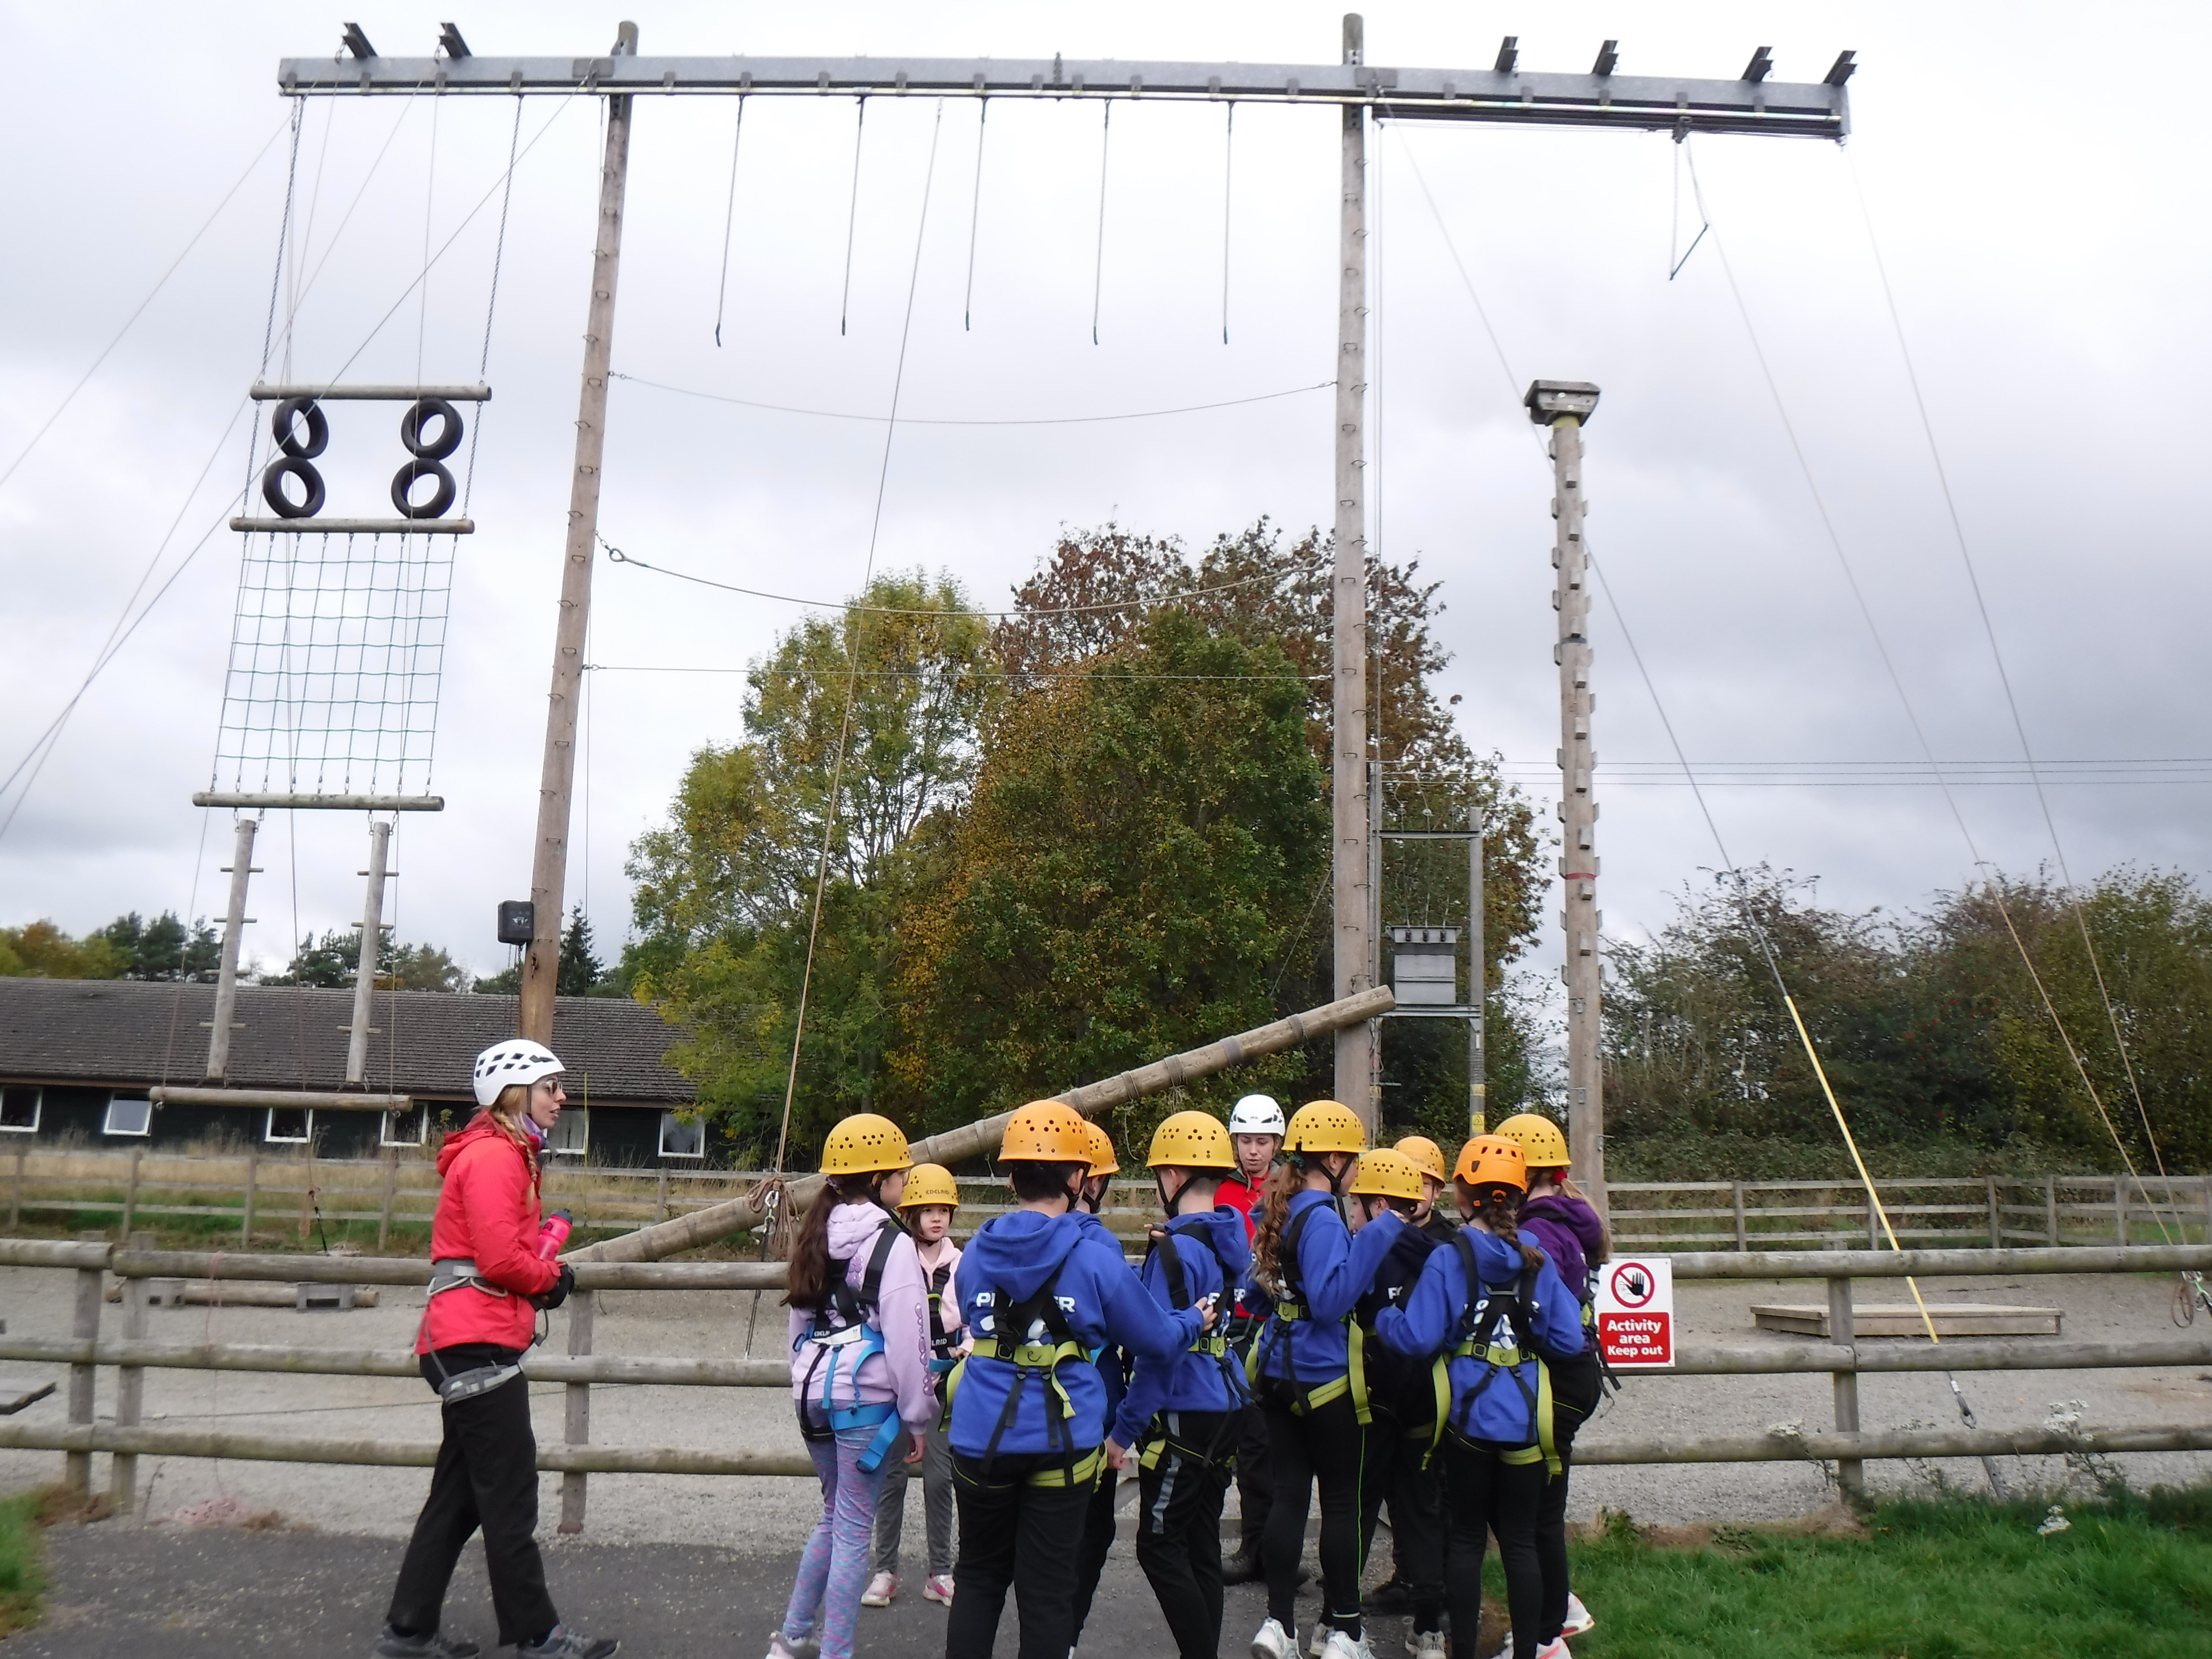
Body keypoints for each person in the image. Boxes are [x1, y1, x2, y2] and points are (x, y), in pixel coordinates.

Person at [945, 1102, 1213, 1659]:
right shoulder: (1094, 1259)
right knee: (1047, 1594)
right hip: (1060, 1442)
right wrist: (1194, 1319)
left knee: (978, 1577)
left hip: (978, 1437)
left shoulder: (974, 1255)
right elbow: (1157, 1340)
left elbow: (972, 1316)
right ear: (1077, 1178)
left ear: (1012, 1177)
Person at [377, 1040, 614, 1659]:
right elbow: (501, 1258)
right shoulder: (493, 1157)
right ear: (515, 1094)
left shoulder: (505, 1152)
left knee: (458, 1501)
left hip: (468, 1338)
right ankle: (539, 1635)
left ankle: (408, 1630)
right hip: (474, 1342)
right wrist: (551, 1281)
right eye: (551, 1086)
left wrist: (540, 1272)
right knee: (510, 1497)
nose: (562, 1097)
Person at [1374, 1137, 1585, 1659]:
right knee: (1521, 1541)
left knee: (1467, 1538)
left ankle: (1463, 1651)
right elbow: (1568, 1341)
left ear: (1463, 1197)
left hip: (1468, 1419)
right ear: (1516, 1197)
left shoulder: (1450, 1259)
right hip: (1527, 1423)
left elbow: (1419, 1338)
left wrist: (1384, 1317)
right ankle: (1531, 1650)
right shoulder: (1535, 1257)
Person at [767, 1115, 938, 1659]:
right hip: (863, 1398)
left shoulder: (817, 1232)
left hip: (812, 1391)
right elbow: (909, 1339)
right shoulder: (893, 1244)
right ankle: (834, 1652)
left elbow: (799, 1325)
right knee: (853, 1527)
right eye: (900, 1175)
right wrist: (918, 1416)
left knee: (835, 1514)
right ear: (881, 1179)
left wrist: (803, 1378)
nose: (905, 1183)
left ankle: (794, 1636)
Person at [1246, 1101, 1407, 1659]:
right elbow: (1331, 1301)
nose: (1358, 1170)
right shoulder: (1322, 1220)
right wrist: (1379, 1235)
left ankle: (1278, 1625)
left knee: (1290, 1498)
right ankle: (1346, 1633)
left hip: (1278, 1373)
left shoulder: (1281, 1209)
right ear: (1334, 1161)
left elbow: (1259, 1289)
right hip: (1323, 1381)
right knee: (1341, 1505)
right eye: (1355, 1159)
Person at [1107, 1111, 1252, 1659]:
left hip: (1184, 1410)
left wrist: (1123, 1432)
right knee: (1200, 1541)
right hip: (1227, 1401)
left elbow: (1157, 1353)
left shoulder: (1172, 1251)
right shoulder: (1227, 1238)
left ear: (1172, 1176)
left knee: (1159, 1546)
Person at [1489, 1115, 1609, 1650]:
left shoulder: (1538, 1232)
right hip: (1579, 1373)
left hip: (1560, 1374)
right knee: (1542, 1509)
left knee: (1533, 1513)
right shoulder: (1568, 1217)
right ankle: (1558, 1609)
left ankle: (1545, 1637)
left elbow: (1542, 1316)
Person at [1345, 1151, 1446, 1659]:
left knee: (1358, 1507)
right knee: (1421, 1510)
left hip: (1375, 1395)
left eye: (1357, 1204)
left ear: (1379, 1204)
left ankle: (1340, 1624)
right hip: (1427, 1396)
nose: (1352, 1214)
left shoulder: (1366, 1249)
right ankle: (1429, 1630)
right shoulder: (1441, 1252)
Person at [863, 1162, 965, 1610]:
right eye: (927, 1211)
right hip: (899, 1385)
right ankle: (885, 1570)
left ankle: (940, 1571)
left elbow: (975, 1319)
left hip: (943, 1384)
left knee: (940, 1479)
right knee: (892, 1477)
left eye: (944, 1210)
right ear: (910, 1214)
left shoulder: (962, 1265)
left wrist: (966, 1350)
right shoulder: (894, 1260)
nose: (937, 1218)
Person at [1217, 1093, 1284, 1585]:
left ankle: (1270, 1548)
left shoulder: (1287, 1189)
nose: (1253, 1151)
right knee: (1244, 1442)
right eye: (1246, 1141)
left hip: (1274, 1325)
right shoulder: (1220, 1190)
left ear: (1277, 1143)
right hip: (1231, 1327)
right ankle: (1252, 1546)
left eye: (1262, 1141)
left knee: (1271, 1442)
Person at [1068, 1118, 1128, 1647]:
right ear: (1091, 1180)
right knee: (1092, 1528)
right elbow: (1133, 1327)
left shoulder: (1007, 1238)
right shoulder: (1102, 1245)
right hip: (1092, 1406)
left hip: (1026, 1410)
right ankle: (1063, 1637)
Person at [1393, 1137, 1460, 1242]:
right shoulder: (1379, 1234)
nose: (1414, 1189)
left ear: (1437, 1191)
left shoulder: (1450, 1241)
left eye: (1424, 1183)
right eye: (1405, 1180)